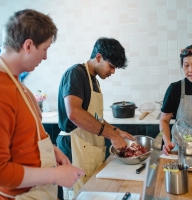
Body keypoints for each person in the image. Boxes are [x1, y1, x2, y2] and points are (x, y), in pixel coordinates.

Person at [0, 9, 85, 200]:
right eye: (44, 49)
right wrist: (55, 175)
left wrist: (52, 150)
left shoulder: (15, 83)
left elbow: (23, 136)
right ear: (28, 45)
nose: (45, 57)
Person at [57, 37, 135, 197]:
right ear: (98, 57)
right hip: (74, 148)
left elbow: (94, 117)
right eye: (111, 66)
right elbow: (75, 113)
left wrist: (116, 131)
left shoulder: (94, 80)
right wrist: (112, 135)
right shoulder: (76, 74)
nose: (112, 72)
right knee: (77, 194)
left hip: (88, 149)